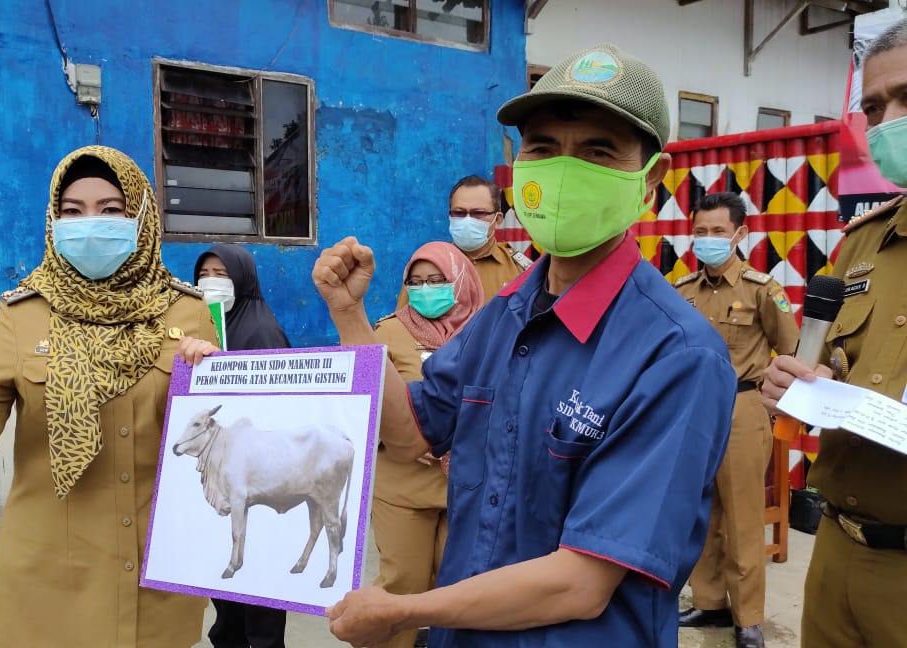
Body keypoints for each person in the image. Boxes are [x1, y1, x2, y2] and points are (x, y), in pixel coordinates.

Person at [312, 44, 738, 647]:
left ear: (650, 180)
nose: (565, 170)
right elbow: (410, 433)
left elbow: (581, 583)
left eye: (598, 151)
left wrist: (402, 611)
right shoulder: (504, 316)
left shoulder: (676, 356)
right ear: (519, 163)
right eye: (543, 148)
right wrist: (351, 317)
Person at [0, 146, 217, 647]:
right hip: (47, 582)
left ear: (141, 216)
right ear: (53, 221)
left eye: (111, 210)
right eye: (71, 212)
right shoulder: (21, 315)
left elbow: (212, 441)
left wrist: (210, 376)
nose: (89, 224)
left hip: (156, 575)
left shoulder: (187, 313)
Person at [762, 19, 907, 648]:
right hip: (836, 549)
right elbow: (836, 364)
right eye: (873, 108)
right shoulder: (862, 244)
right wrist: (803, 384)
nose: (885, 123)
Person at [674, 192, 799, 648]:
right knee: (700, 511)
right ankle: (709, 603)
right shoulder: (682, 290)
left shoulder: (763, 289)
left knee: (744, 517)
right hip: (692, 410)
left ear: (740, 234)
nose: (708, 240)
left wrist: (777, 404)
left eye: (718, 232)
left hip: (742, 407)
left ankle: (748, 618)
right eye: (701, 232)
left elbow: (791, 351)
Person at [372, 242, 483, 648]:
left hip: (469, 481)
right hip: (402, 481)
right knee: (403, 581)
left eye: (436, 281)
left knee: (459, 585)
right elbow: (366, 398)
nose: (425, 289)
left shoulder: (488, 331)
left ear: (460, 281)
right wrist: (401, 433)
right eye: (415, 283)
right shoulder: (387, 331)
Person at [192, 243, 291, 648]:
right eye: (205, 274)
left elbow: (275, 414)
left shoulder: (261, 331)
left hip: (259, 482)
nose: (211, 283)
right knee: (227, 593)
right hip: (224, 477)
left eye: (222, 274)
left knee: (261, 600)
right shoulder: (205, 330)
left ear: (243, 279)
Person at [396, 175, 529, 309]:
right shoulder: (425, 267)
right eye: (459, 213)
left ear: (498, 219)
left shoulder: (519, 269)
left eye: (478, 213)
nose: (467, 220)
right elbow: (402, 324)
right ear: (450, 216)